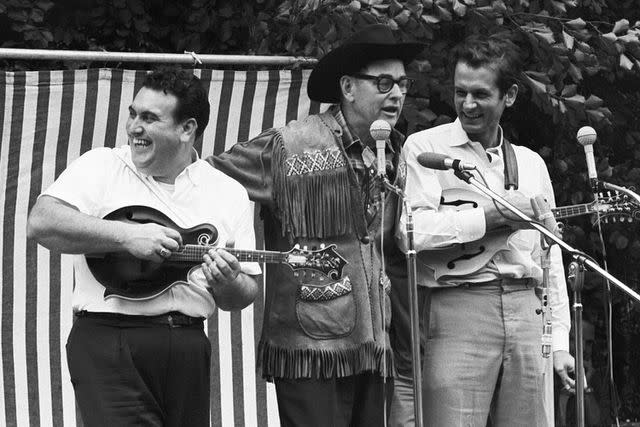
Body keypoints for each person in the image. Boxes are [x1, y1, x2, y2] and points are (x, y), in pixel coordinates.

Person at [207, 24, 423, 427]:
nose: (397, 94)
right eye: (383, 83)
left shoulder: (393, 154)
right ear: (347, 87)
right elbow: (206, 181)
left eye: (403, 83)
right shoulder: (289, 145)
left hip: (375, 344)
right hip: (309, 347)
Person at [26, 68, 261, 427]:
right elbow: (41, 222)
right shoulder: (101, 166)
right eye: (133, 114)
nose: (134, 127)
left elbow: (239, 297)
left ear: (187, 129)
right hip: (109, 338)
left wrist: (226, 279)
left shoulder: (227, 192)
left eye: (150, 118)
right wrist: (126, 235)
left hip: (188, 343)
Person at [395, 33, 575, 426]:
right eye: (460, 93)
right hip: (458, 306)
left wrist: (560, 341)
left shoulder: (531, 164)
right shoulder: (425, 147)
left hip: (528, 308)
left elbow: (552, 256)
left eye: (480, 94)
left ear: (508, 96)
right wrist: (486, 220)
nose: (467, 105)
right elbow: (410, 233)